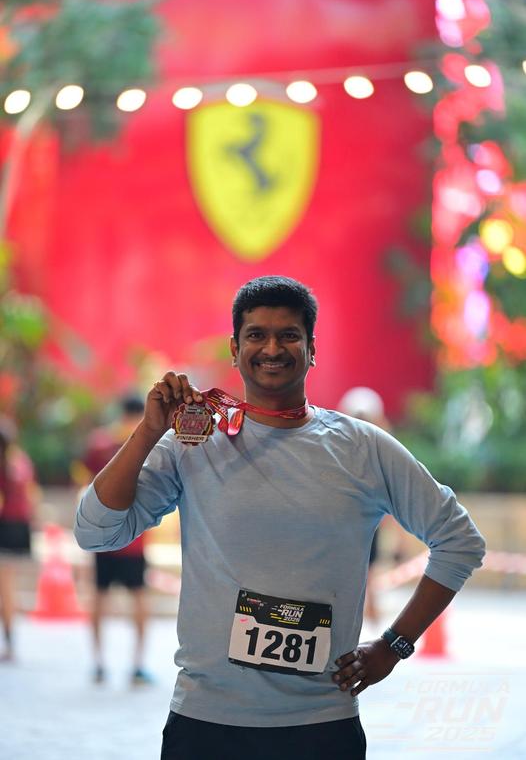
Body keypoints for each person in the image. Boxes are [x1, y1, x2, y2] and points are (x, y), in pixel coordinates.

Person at [75, 276, 485, 760]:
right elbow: (95, 530)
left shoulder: (363, 448)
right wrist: (148, 432)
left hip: (321, 725)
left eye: (289, 335)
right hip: (206, 722)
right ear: (235, 349)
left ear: (312, 349)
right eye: (257, 335)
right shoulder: (193, 443)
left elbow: (459, 541)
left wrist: (394, 645)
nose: (272, 348)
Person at [76, 395, 154, 685]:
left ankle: (99, 663)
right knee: (139, 599)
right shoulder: (149, 444)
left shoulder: (100, 444)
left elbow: (86, 487)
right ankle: (137, 665)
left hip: (104, 536)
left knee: (99, 598)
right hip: (135, 539)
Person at [337, 387, 409, 624]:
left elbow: (390, 500)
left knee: (365, 570)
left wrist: (400, 541)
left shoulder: (382, 453)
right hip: (348, 523)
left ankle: (368, 609)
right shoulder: (338, 449)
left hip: (362, 523)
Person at [0, 415, 39, 662]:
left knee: (5, 587)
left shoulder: (5, 466)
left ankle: (9, 641)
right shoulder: (21, 461)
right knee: (7, 587)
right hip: (19, 528)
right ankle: (10, 641)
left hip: (5, 527)